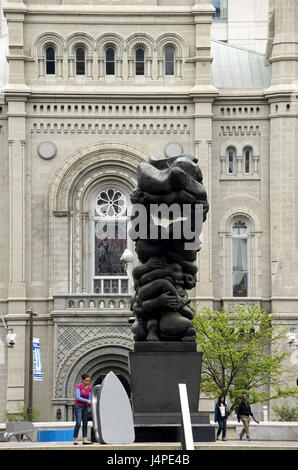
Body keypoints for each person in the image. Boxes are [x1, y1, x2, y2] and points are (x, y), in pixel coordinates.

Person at [73, 373, 94, 445]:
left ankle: (85, 439)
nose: (88, 382)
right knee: (78, 423)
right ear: (83, 380)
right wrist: (87, 401)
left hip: (85, 407)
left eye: (89, 381)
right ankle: (75, 439)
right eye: (86, 381)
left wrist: (90, 406)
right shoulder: (79, 387)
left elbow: (89, 397)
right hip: (78, 406)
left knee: (85, 423)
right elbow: (78, 397)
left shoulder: (90, 388)